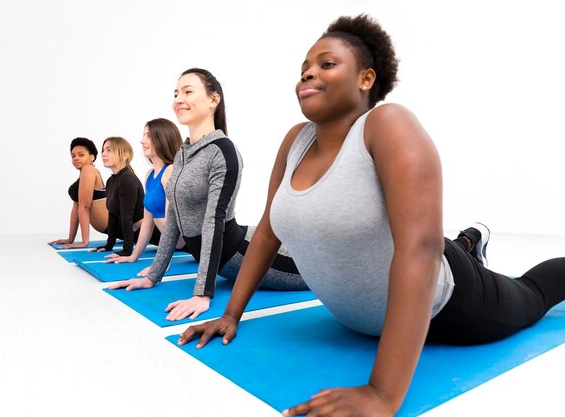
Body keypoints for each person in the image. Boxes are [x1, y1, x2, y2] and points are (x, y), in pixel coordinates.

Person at [175, 14, 565, 417]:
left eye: (326, 64)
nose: (308, 74)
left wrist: (381, 393)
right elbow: (269, 233)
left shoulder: (387, 124)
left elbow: (421, 250)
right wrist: (230, 314)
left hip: (449, 303)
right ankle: (470, 242)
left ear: (365, 78)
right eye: (304, 68)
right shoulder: (295, 140)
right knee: (450, 247)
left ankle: (468, 250)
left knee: (533, 294)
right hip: (368, 314)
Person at [107, 68, 308, 321]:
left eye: (188, 91)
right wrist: (152, 277)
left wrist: (203, 293)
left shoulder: (223, 151)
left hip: (248, 253)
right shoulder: (182, 154)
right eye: (176, 93)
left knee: (322, 275)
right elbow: (174, 222)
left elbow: (213, 221)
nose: (179, 99)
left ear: (214, 100)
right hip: (228, 261)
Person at [104, 118, 187, 270]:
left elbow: (171, 225)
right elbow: (147, 224)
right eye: (143, 135)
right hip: (181, 245)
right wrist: (133, 256)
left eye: (148, 135)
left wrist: (160, 266)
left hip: (195, 244)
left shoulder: (170, 171)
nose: (142, 140)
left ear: (163, 139)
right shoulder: (149, 175)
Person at [51, 137, 108, 248]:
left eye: (81, 155)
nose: (76, 158)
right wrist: (70, 239)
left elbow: (85, 206)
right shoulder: (83, 174)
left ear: (92, 157)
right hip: (115, 230)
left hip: (121, 228)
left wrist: (84, 242)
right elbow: (76, 208)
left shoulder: (88, 170)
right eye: (73, 156)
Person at [94, 136, 144, 257]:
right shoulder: (111, 181)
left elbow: (127, 216)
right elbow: (113, 215)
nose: (103, 154)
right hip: (133, 232)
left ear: (125, 155)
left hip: (153, 234)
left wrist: (127, 250)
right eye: (103, 150)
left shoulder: (127, 179)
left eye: (109, 150)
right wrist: (109, 245)